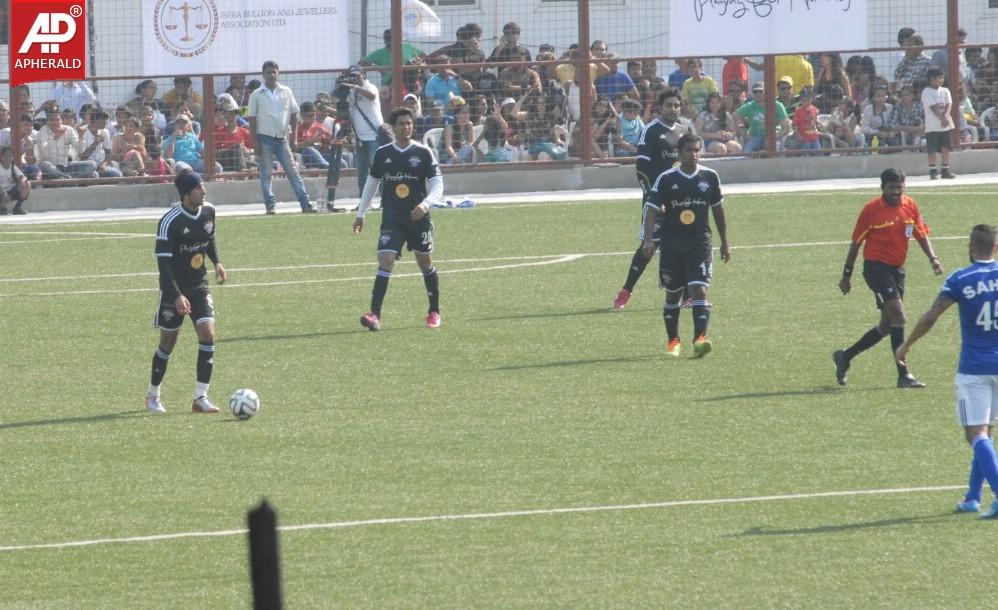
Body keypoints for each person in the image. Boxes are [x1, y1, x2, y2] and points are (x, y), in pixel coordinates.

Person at [895, 224, 998, 518]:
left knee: (975, 433)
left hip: (975, 369)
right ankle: (972, 497)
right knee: (986, 430)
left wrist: (907, 345)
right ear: (995, 247)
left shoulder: (961, 279)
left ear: (970, 246)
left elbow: (931, 316)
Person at [833, 168, 944, 389]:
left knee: (886, 326)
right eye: (891, 188)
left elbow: (920, 234)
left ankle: (845, 356)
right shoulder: (871, 210)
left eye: (899, 187)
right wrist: (846, 274)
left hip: (896, 270)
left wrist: (933, 258)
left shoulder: (910, 205)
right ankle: (903, 374)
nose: (896, 192)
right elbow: (856, 243)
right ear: (882, 188)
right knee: (899, 316)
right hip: (875, 268)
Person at [352, 107, 443, 332]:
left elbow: (438, 184)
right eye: (401, 124)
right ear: (393, 128)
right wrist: (360, 214)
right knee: (385, 260)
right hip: (392, 218)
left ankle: (433, 311)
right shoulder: (383, 154)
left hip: (418, 219)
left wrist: (425, 204)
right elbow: (371, 184)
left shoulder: (423, 152)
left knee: (425, 264)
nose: (406, 127)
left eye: (409, 123)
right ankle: (374, 315)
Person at [145, 171, 228, 414]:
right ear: (186, 193)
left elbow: (209, 237)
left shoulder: (208, 211)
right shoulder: (170, 221)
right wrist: (177, 295)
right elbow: (164, 264)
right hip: (175, 289)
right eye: (199, 187)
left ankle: (200, 397)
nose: (204, 191)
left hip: (199, 286)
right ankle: (152, 394)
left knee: (208, 334)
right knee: (167, 343)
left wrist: (217, 262)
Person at [642, 133, 729, 357]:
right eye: (690, 150)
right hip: (672, 244)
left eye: (697, 150)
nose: (694, 154)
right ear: (680, 153)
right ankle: (673, 341)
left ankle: (700, 340)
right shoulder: (667, 178)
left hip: (700, 242)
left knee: (699, 289)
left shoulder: (710, 176)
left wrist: (725, 242)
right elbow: (651, 208)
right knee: (673, 295)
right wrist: (649, 239)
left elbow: (718, 210)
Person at [613, 87, 695, 311]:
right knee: (648, 248)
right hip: (657, 201)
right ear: (661, 107)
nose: (673, 109)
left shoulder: (684, 130)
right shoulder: (650, 131)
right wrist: (653, 197)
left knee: (686, 245)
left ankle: (688, 295)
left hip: (682, 201)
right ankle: (626, 290)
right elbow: (641, 170)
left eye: (676, 105)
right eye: (669, 105)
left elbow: (691, 165)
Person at [247, 60, 317, 214]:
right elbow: (251, 119)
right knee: (266, 174)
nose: (271, 75)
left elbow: (294, 113)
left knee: (293, 172)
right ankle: (270, 205)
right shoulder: (257, 94)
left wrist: (294, 138)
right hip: (264, 137)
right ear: (263, 74)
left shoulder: (286, 91)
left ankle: (305, 203)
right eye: (268, 72)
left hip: (282, 138)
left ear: (278, 73)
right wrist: (255, 142)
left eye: (274, 71)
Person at [342, 64, 385, 194]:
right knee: (362, 172)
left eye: (357, 76)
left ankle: (384, 199)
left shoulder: (370, 87)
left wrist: (355, 87)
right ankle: (363, 200)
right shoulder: (351, 93)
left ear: (363, 74)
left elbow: (371, 96)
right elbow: (348, 111)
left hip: (373, 136)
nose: (355, 79)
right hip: (360, 139)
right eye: (352, 77)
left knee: (377, 169)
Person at [922, 66, 956, 179]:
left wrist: (946, 116)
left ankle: (945, 169)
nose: (941, 80)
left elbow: (949, 104)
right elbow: (932, 107)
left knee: (945, 147)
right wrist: (942, 118)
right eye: (938, 78)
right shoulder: (926, 92)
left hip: (945, 126)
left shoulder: (945, 91)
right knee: (931, 149)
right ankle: (933, 170)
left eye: (942, 78)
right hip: (932, 126)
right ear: (931, 78)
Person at [0, 146, 30, 214]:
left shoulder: (13, 167)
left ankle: (17, 208)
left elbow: (23, 176)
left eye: (10, 156)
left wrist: (22, 180)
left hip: (10, 192)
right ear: (1, 157)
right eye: (5, 156)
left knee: (27, 184)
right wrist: (4, 193)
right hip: (1, 192)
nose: (8, 158)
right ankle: (2, 208)